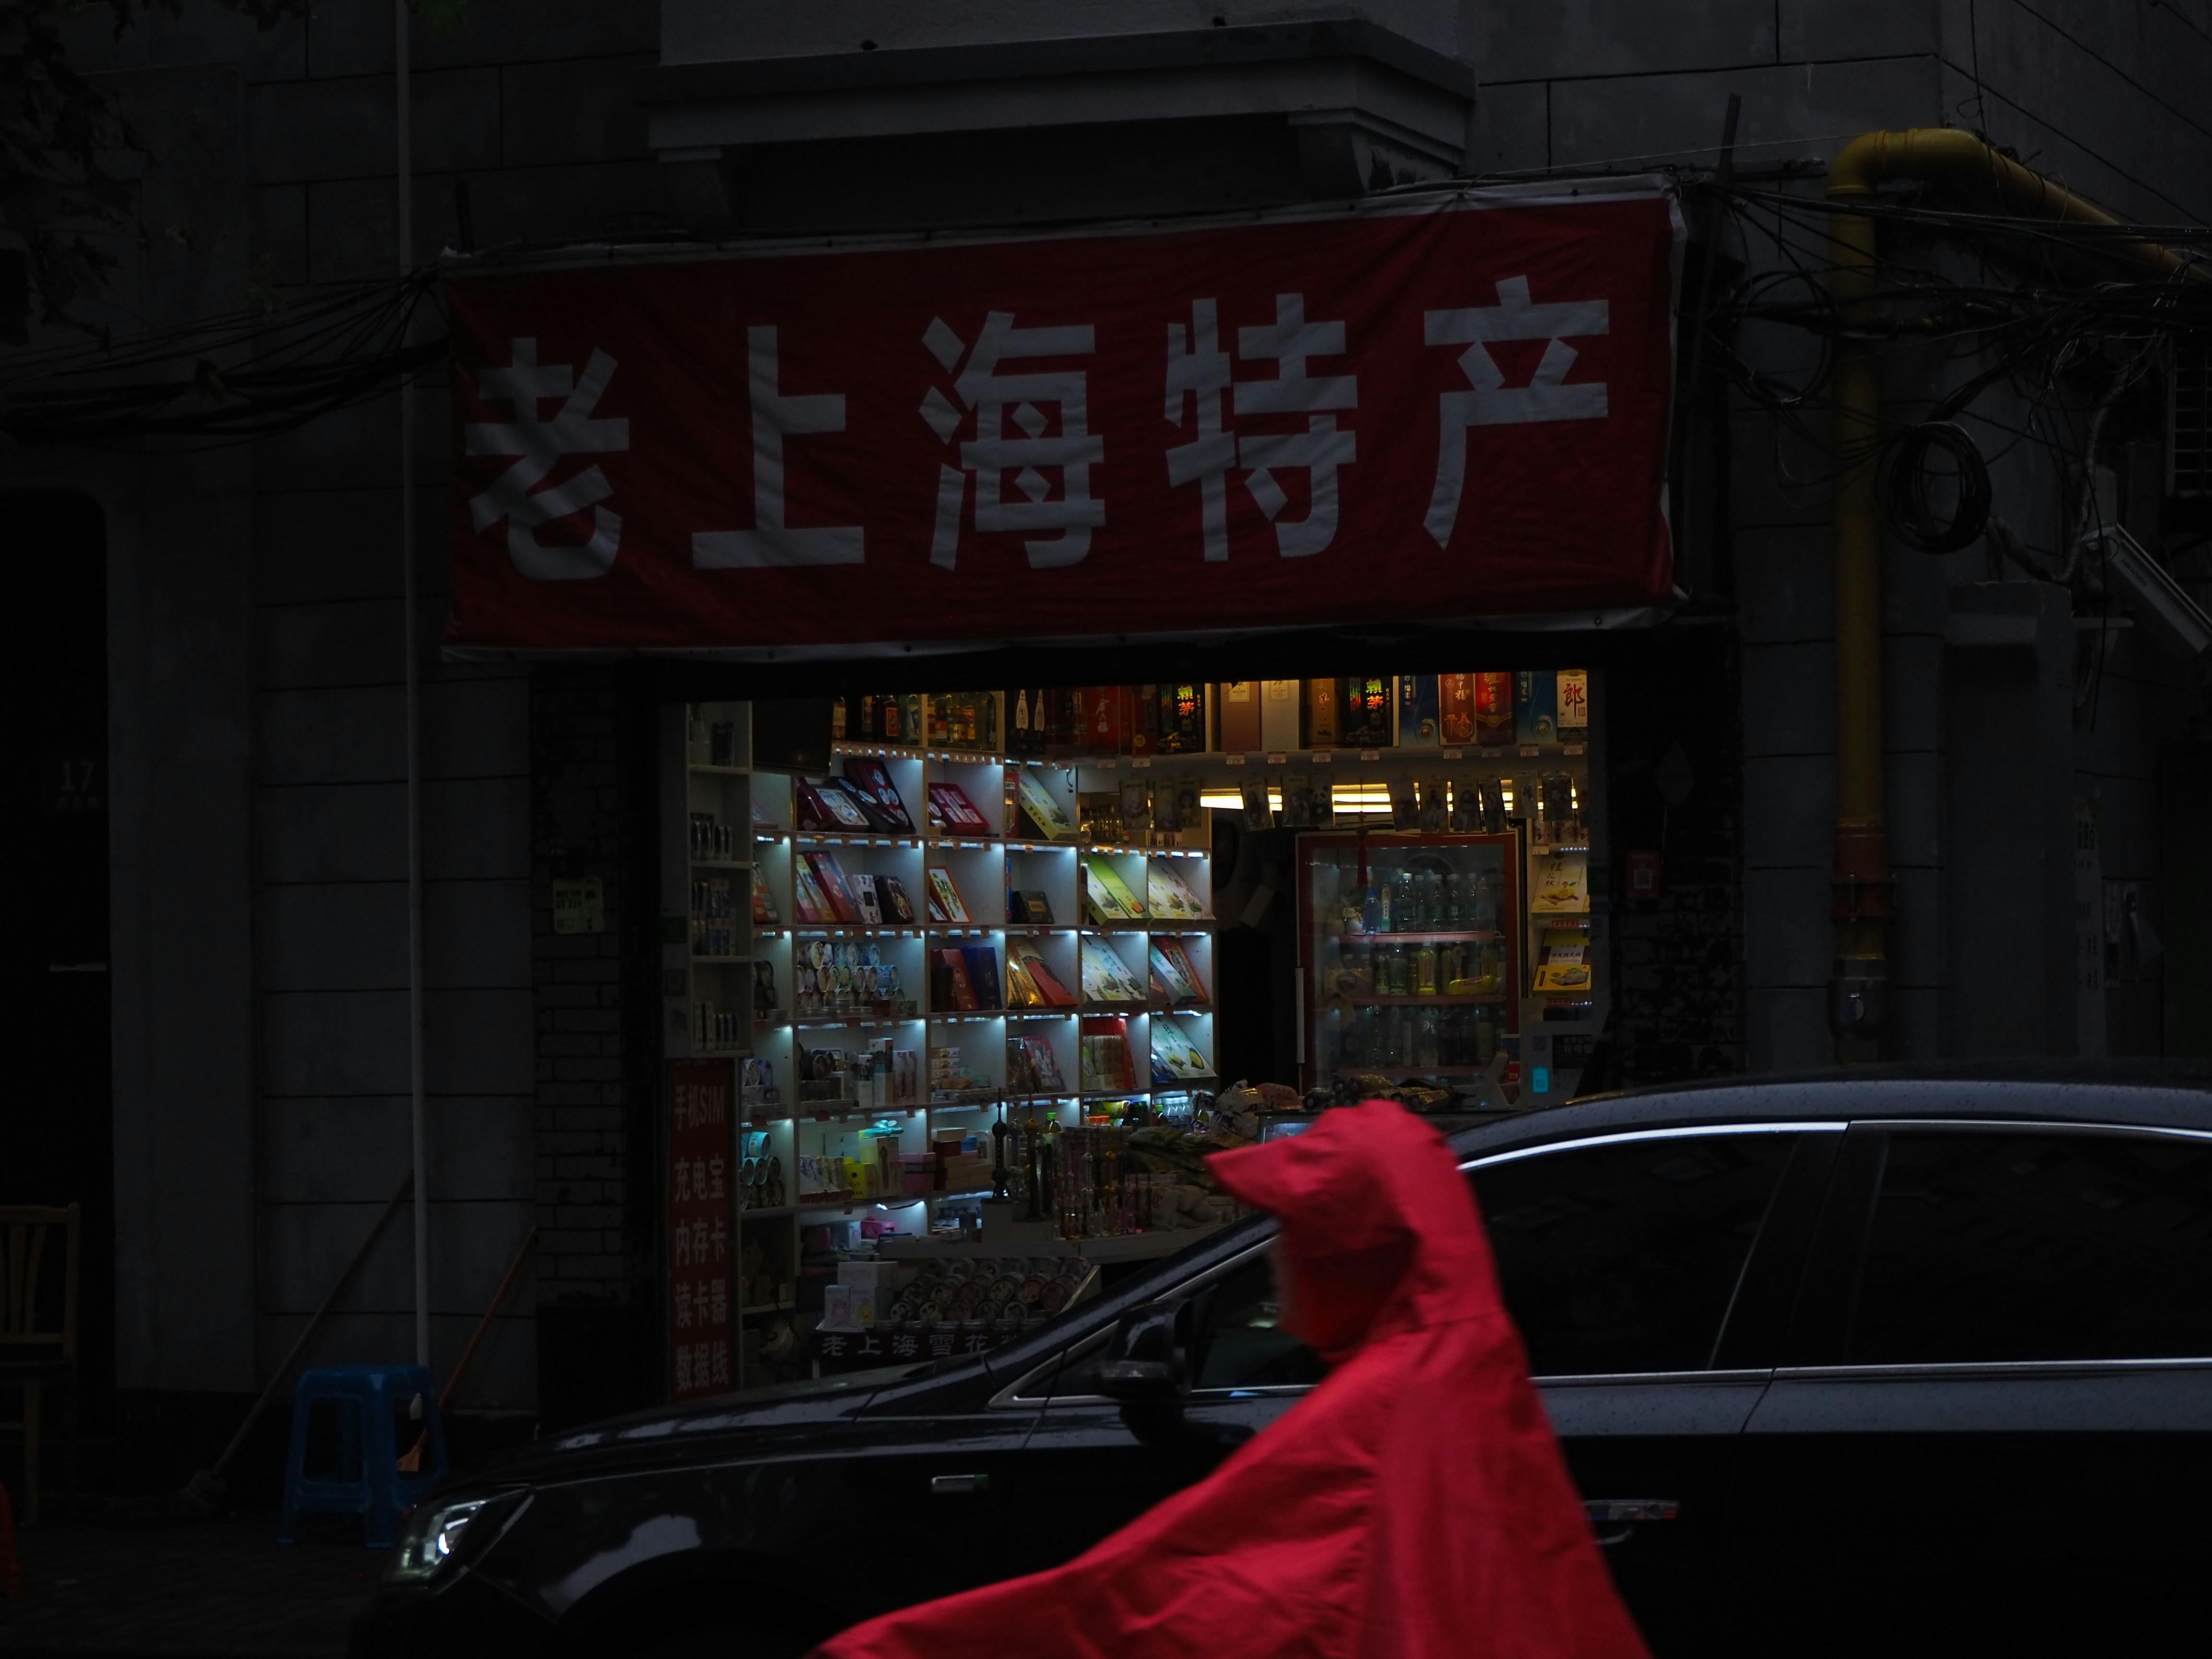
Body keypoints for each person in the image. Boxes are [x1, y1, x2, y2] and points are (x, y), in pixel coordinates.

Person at [811, 1099, 1650, 1659]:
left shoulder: (1377, 1412)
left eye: (1294, 1227)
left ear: (1342, 1249)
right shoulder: (1466, 1361)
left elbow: (1158, 1601)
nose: (1278, 1256)